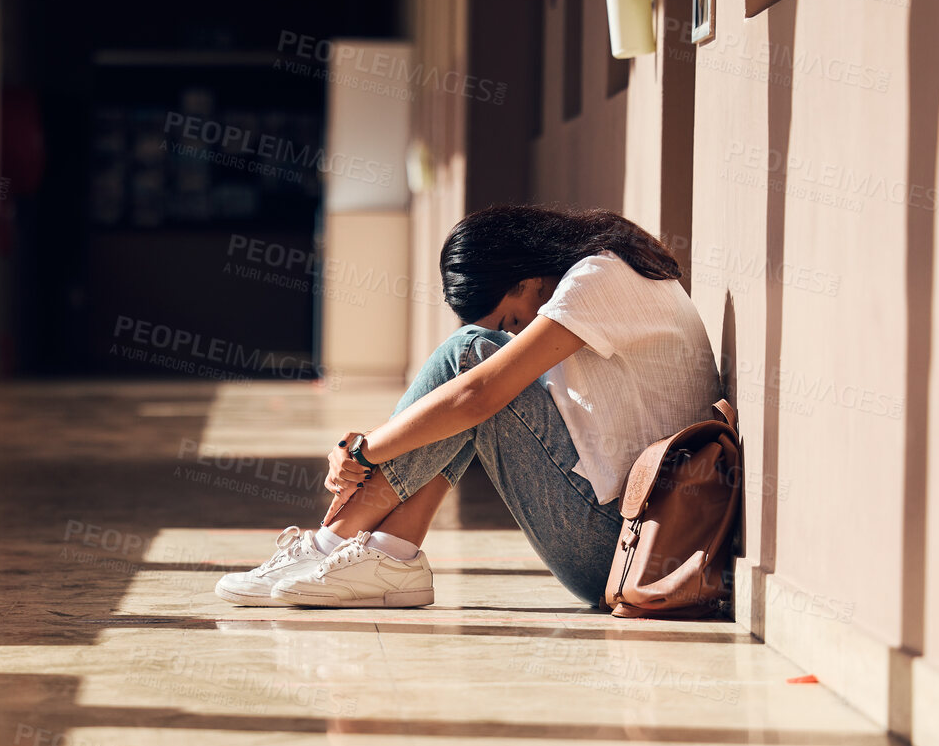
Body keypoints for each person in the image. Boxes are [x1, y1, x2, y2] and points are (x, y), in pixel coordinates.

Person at [215, 204, 723, 610]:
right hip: (624, 541)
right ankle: (387, 554)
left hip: (625, 549)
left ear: (525, 278)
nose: (514, 330)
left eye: (510, 317)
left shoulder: (599, 278)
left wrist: (364, 451)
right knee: (469, 384)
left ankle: (336, 545)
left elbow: (476, 394)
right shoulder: (612, 271)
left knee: (471, 359)